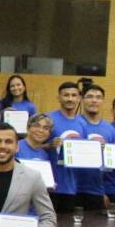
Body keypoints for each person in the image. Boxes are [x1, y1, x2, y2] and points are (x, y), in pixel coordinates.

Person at [47, 81, 85, 213]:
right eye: (66, 95)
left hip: (72, 186)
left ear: (79, 98)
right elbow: (33, 144)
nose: (70, 99)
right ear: (59, 97)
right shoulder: (48, 119)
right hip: (50, 185)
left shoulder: (82, 123)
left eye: (74, 95)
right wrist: (49, 145)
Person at [77, 83, 114, 210]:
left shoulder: (110, 129)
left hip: (96, 191)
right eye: (90, 96)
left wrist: (104, 191)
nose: (94, 100)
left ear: (103, 101)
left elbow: (109, 164)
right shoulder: (75, 123)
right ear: (82, 100)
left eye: (98, 97)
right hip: (73, 189)